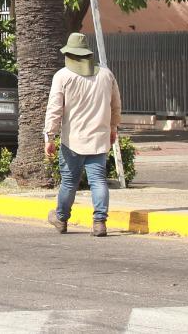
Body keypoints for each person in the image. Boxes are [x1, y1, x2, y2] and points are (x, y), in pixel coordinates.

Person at [45, 31, 123, 237]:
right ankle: (99, 222)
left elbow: (54, 109)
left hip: (73, 141)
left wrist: (50, 137)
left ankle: (61, 218)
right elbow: (116, 106)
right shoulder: (106, 75)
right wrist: (113, 128)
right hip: (99, 138)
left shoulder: (62, 76)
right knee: (98, 180)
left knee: (69, 182)